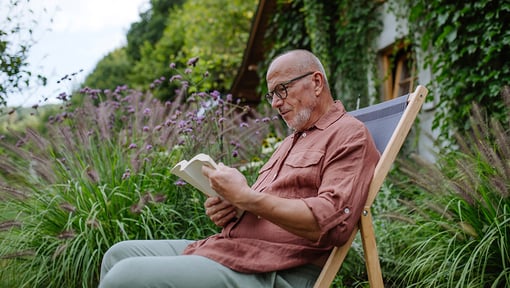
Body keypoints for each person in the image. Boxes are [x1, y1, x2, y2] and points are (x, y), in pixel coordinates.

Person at [99, 49, 380, 288]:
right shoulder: (290, 142)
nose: (276, 103)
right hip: (232, 250)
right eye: (272, 95)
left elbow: (332, 222)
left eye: (282, 89)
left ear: (316, 82)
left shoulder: (349, 135)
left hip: (275, 269)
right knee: (117, 255)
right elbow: (263, 204)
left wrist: (246, 198)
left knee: (124, 276)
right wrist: (234, 207)